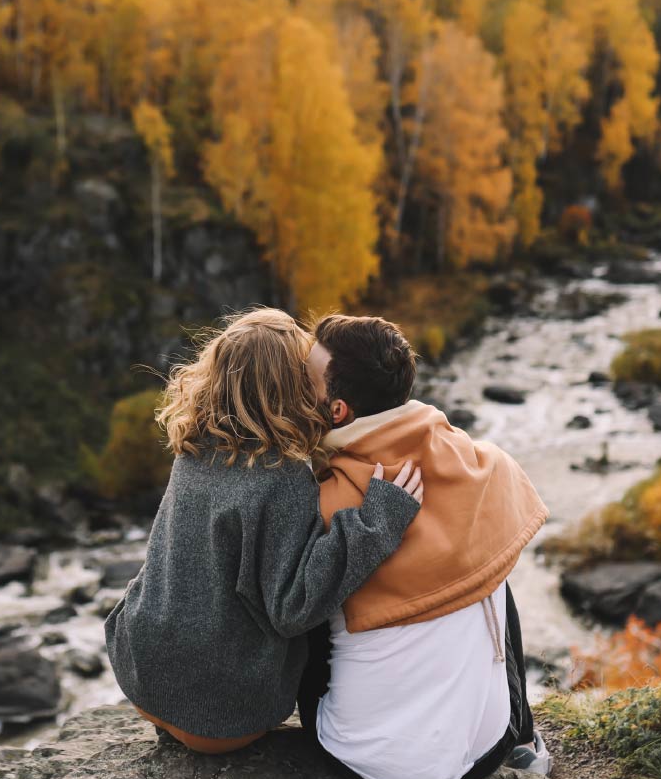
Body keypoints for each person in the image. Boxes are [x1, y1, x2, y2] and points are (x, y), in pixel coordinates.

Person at [104, 307, 424, 754]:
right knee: (323, 618)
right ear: (290, 388)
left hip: (140, 673)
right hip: (220, 719)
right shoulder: (282, 475)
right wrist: (375, 522)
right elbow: (294, 608)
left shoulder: (194, 444)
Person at [297, 313, 551, 779]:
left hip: (362, 761)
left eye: (304, 381)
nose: (294, 387)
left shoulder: (323, 504)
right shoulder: (486, 467)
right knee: (489, 561)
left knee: (310, 592)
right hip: (485, 754)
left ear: (337, 412)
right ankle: (523, 737)